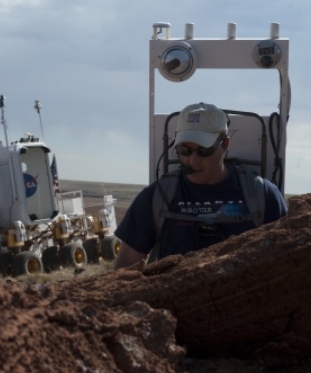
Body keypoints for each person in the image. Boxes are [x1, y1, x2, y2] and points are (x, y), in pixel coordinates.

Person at [114, 102, 287, 270]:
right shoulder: (156, 198)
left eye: (204, 151)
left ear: (225, 144)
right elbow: (124, 272)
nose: (193, 160)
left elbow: (286, 263)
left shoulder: (262, 195)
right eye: (185, 150)